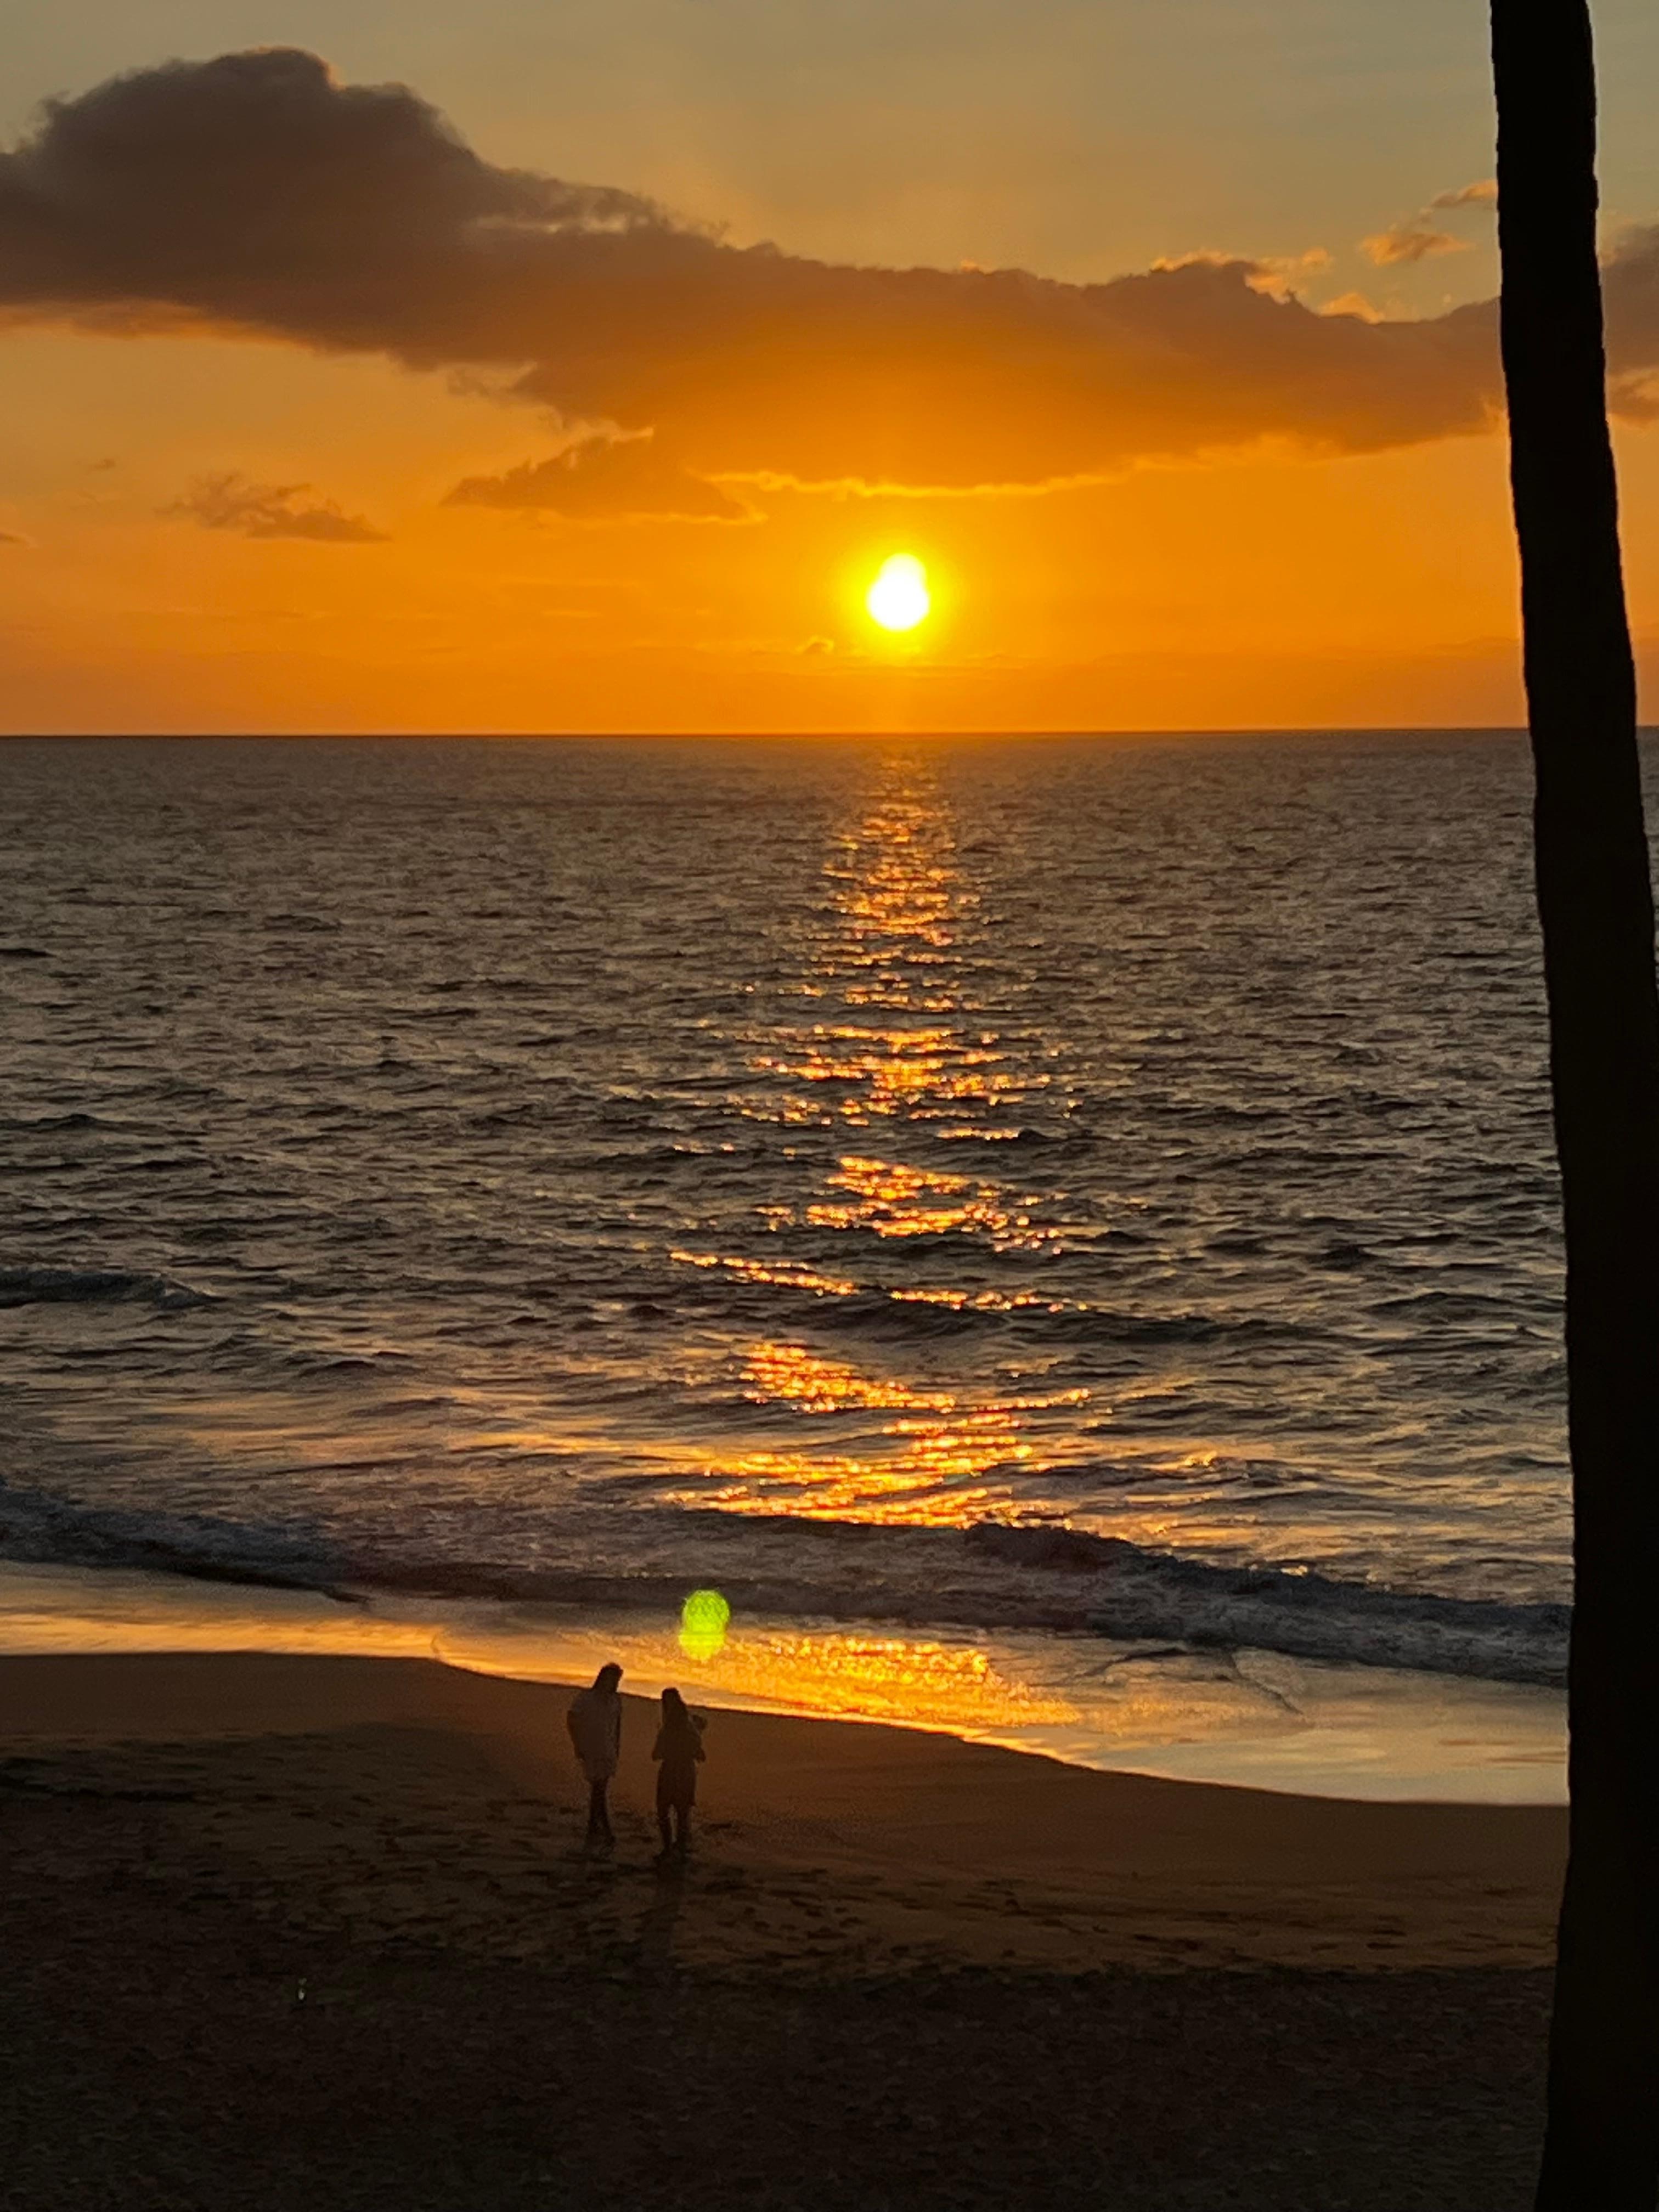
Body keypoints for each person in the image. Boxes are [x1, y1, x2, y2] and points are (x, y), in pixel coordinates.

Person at [565, 1662, 624, 1846]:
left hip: (608, 1750)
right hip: (591, 1748)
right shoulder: (586, 1698)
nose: (614, 1683)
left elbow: (617, 1727)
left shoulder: (616, 1701)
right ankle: (605, 1830)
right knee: (599, 1790)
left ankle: (593, 1827)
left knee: (599, 1790)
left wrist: (616, 1748)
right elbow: (572, 1719)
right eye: (612, 1679)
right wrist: (578, 1743)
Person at [651, 1685, 706, 1857]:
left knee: (664, 1811)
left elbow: (656, 1755)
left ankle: (669, 1847)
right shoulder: (689, 1727)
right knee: (682, 1813)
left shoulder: (668, 1729)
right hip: (686, 1771)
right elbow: (700, 1755)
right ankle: (679, 1847)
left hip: (671, 1770)